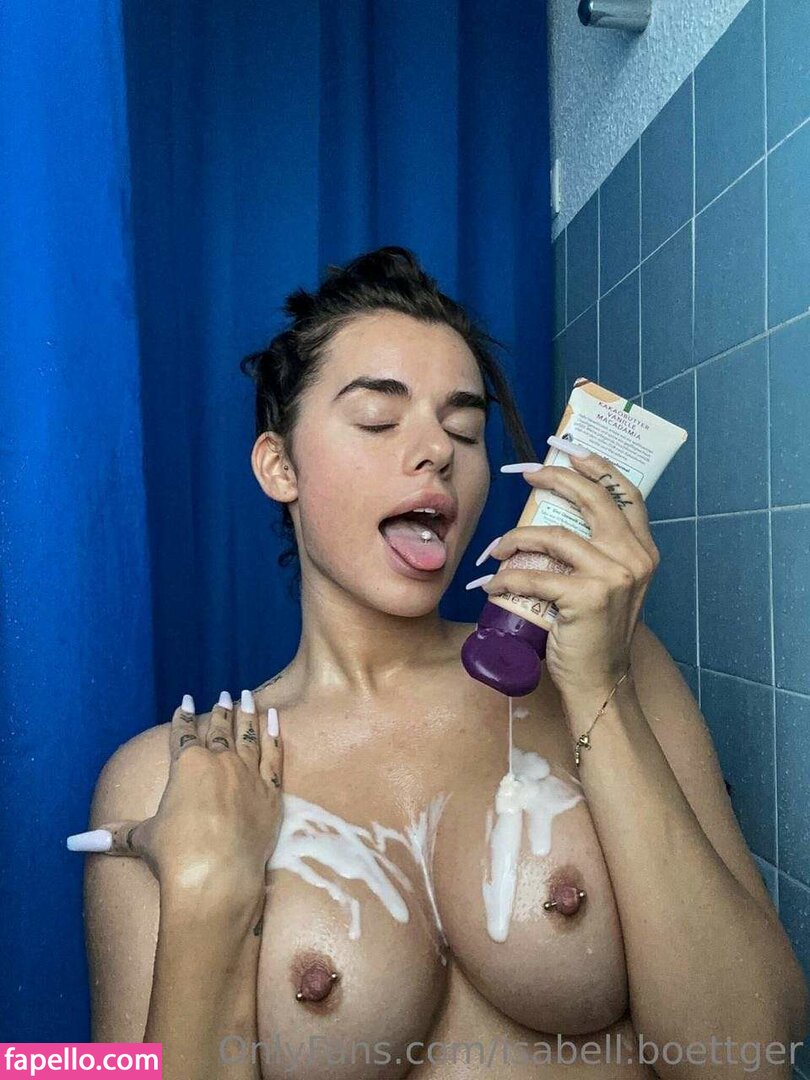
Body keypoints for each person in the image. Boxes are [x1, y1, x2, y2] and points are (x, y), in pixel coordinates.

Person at [70, 247, 807, 1080]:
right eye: (378, 419)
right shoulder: (164, 782)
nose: (436, 452)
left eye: (464, 428)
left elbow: (752, 1058)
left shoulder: (602, 657)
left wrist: (601, 692)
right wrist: (206, 903)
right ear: (280, 466)